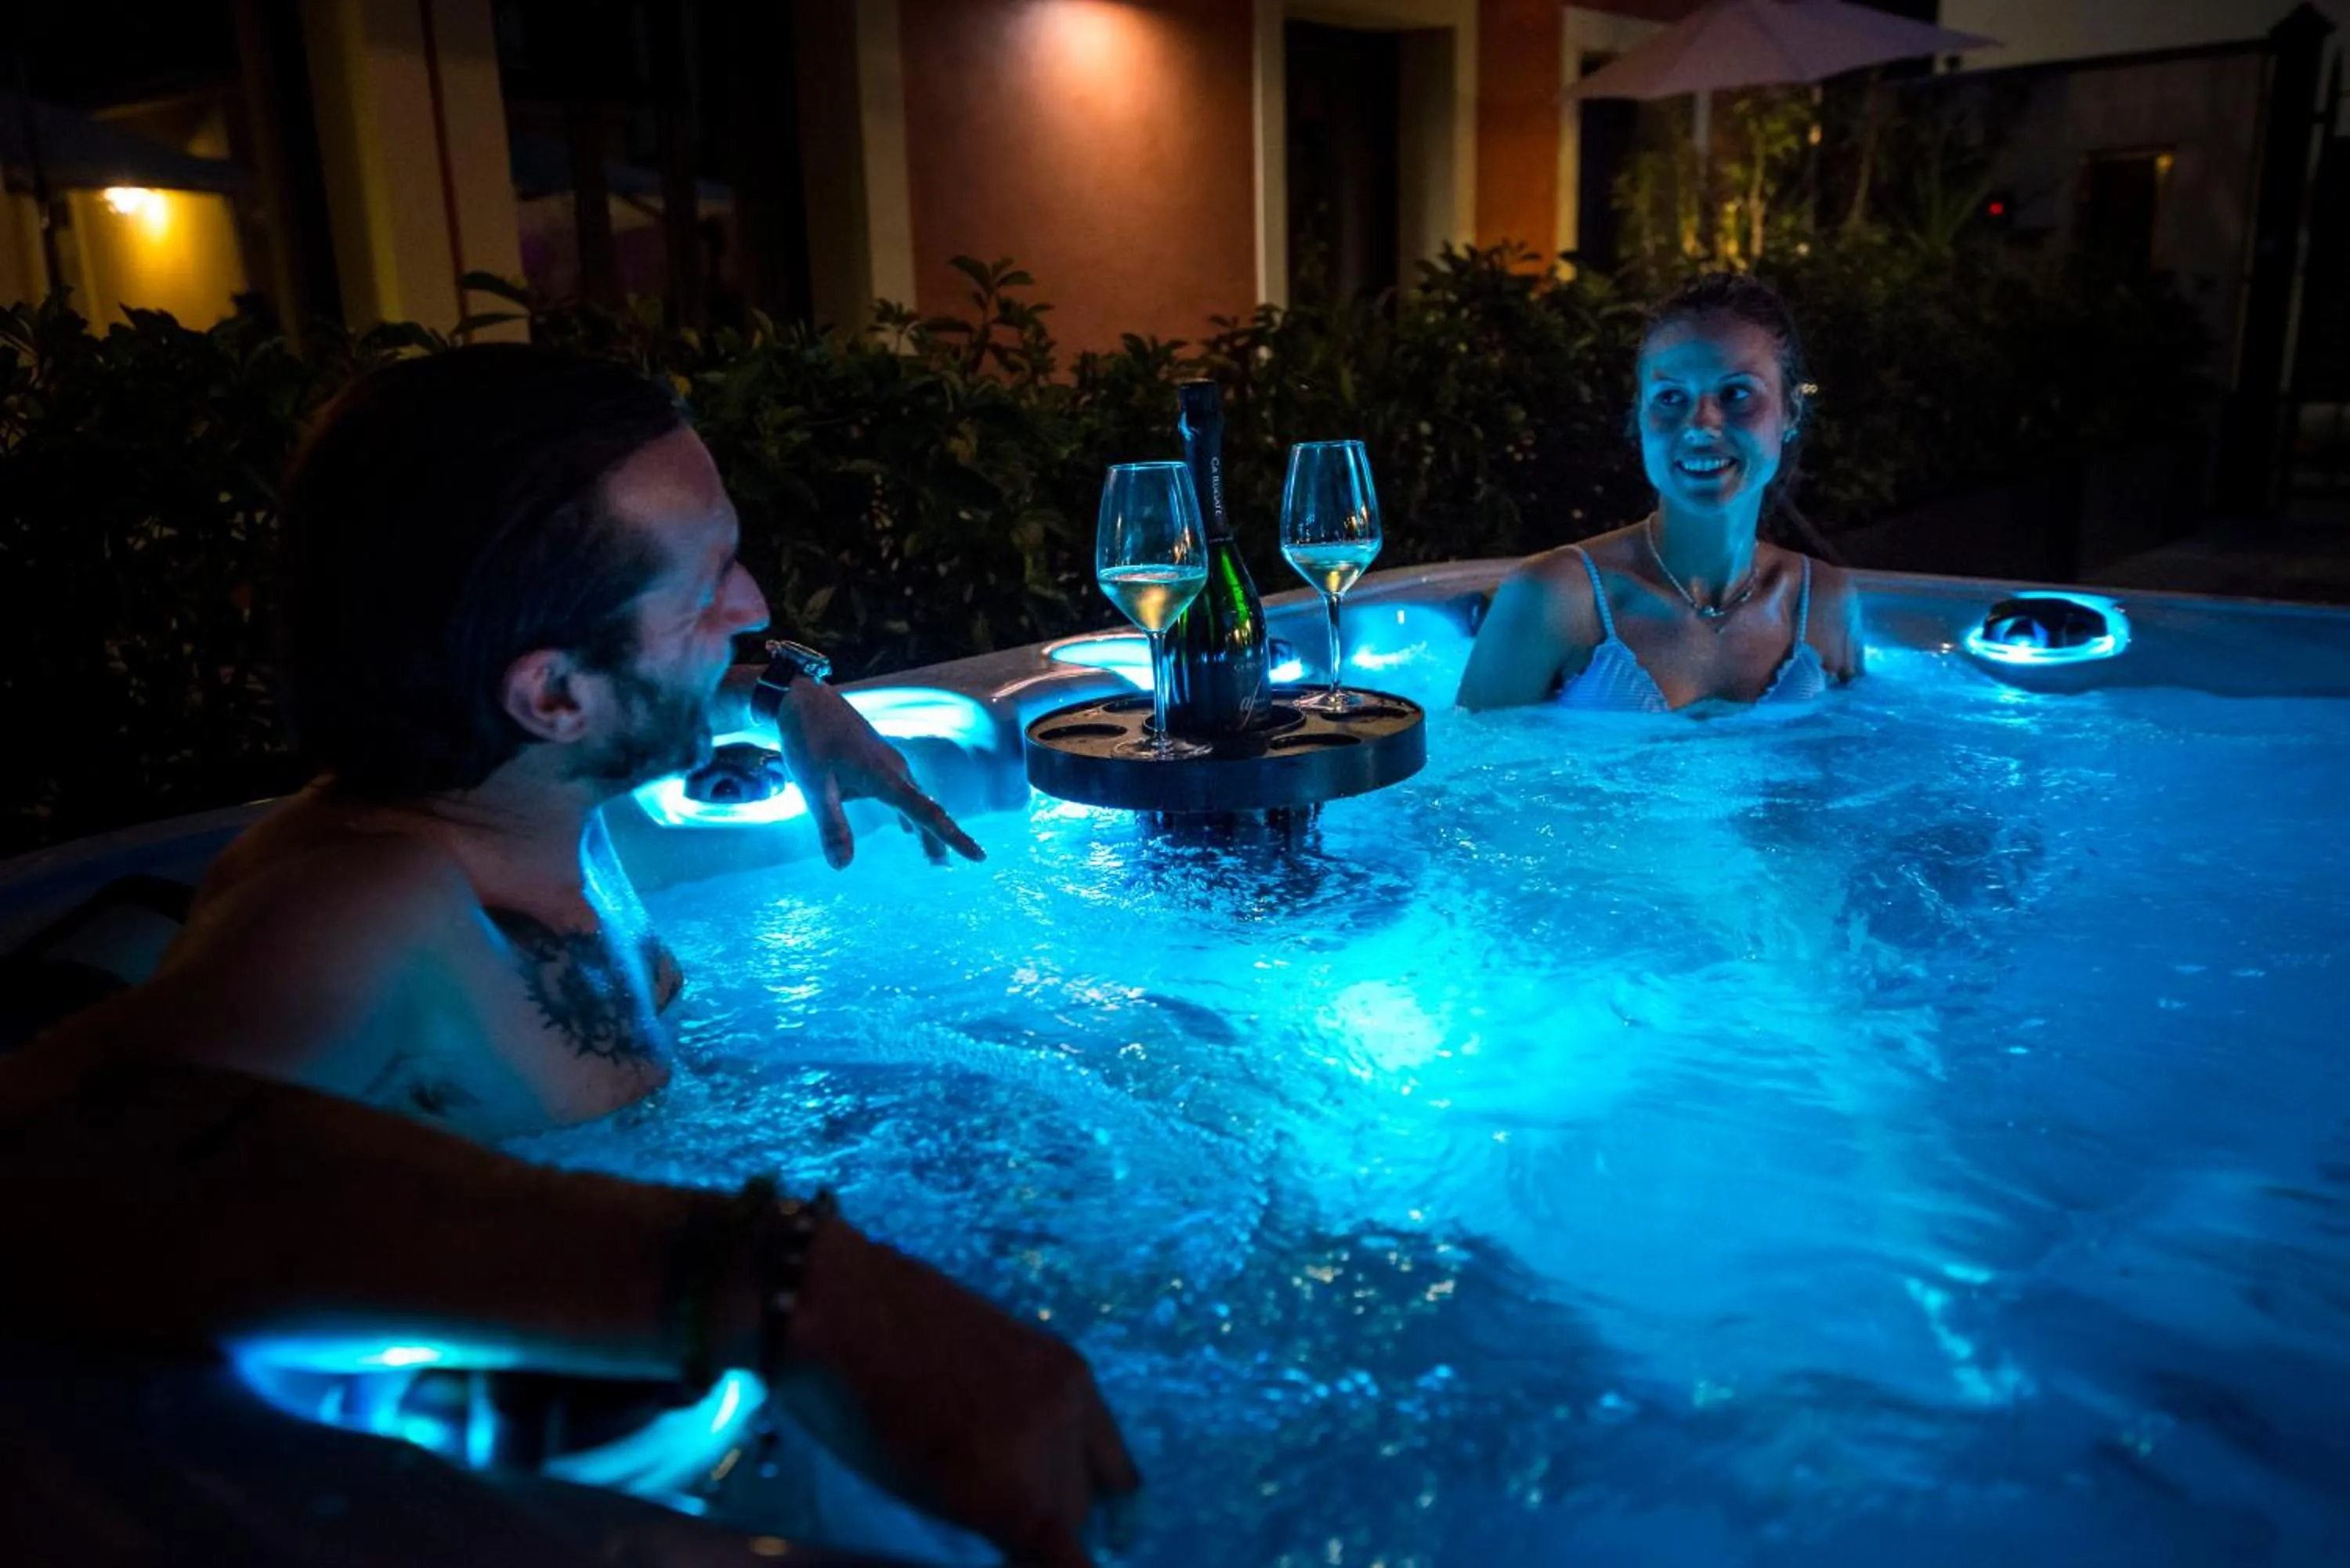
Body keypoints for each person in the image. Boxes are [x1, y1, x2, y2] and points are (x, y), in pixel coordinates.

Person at [51, 344, 982, 1141]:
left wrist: (783, 697)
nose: (755, 611)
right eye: (708, 589)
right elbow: (73, 1152)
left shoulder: (534, 786)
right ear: (552, 695)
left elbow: (636, 700)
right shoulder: (364, 913)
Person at [1456, 272, 1864, 713]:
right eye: (1671, 397)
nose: (1701, 424)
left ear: (1791, 413)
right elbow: (1464, 776)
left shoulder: (1823, 603)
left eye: (1736, 393)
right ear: (1642, 416)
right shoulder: (1556, 599)